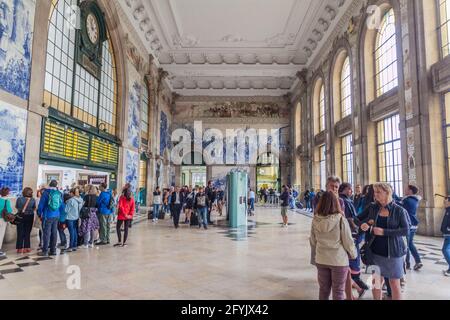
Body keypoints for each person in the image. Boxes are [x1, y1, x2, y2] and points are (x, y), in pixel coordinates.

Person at [355, 183, 409, 300]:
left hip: (393, 253)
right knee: (376, 282)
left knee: (394, 284)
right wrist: (362, 224)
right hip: (375, 252)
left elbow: (405, 230)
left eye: (378, 192)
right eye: (375, 192)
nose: (375, 195)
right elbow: (356, 218)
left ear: (387, 193)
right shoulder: (372, 207)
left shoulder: (399, 210)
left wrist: (384, 232)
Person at [310, 191, 357, 300]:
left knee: (323, 290)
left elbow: (312, 240)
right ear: (336, 203)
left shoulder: (315, 219)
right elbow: (348, 241)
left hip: (321, 259)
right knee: (338, 291)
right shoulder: (341, 219)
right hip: (338, 260)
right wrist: (353, 254)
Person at [338, 183, 369, 297]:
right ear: (344, 190)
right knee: (353, 256)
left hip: (350, 233)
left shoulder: (345, 199)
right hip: (351, 233)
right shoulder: (345, 200)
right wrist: (357, 229)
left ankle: (356, 282)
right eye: (349, 189)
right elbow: (350, 218)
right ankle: (357, 281)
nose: (351, 191)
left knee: (352, 256)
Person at [398, 185, 423, 271]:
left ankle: (407, 263)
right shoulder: (414, 200)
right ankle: (418, 261)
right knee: (410, 243)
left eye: (407, 189)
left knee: (406, 244)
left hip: (408, 224)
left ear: (410, 191)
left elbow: (399, 207)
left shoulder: (408, 200)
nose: (405, 190)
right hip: (413, 224)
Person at [37, 180, 64, 256]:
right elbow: (62, 206)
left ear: (49, 184)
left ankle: (45, 251)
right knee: (54, 232)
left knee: (46, 233)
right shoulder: (59, 193)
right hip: (56, 215)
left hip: (47, 215)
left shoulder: (46, 192)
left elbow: (41, 205)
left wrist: (39, 213)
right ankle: (53, 250)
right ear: (56, 185)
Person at [14, 187, 36, 254]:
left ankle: (19, 248)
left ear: (23, 192)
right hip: (30, 216)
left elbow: (17, 206)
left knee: (20, 232)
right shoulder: (33, 199)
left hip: (21, 216)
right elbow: (34, 208)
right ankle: (27, 248)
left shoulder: (19, 199)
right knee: (27, 232)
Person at [442, 198, 450, 277]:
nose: (444, 202)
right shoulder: (447, 209)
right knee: (447, 249)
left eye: (446, 201)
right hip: (447, 233)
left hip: (449, 234)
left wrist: (448, 229)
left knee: (445, 250)